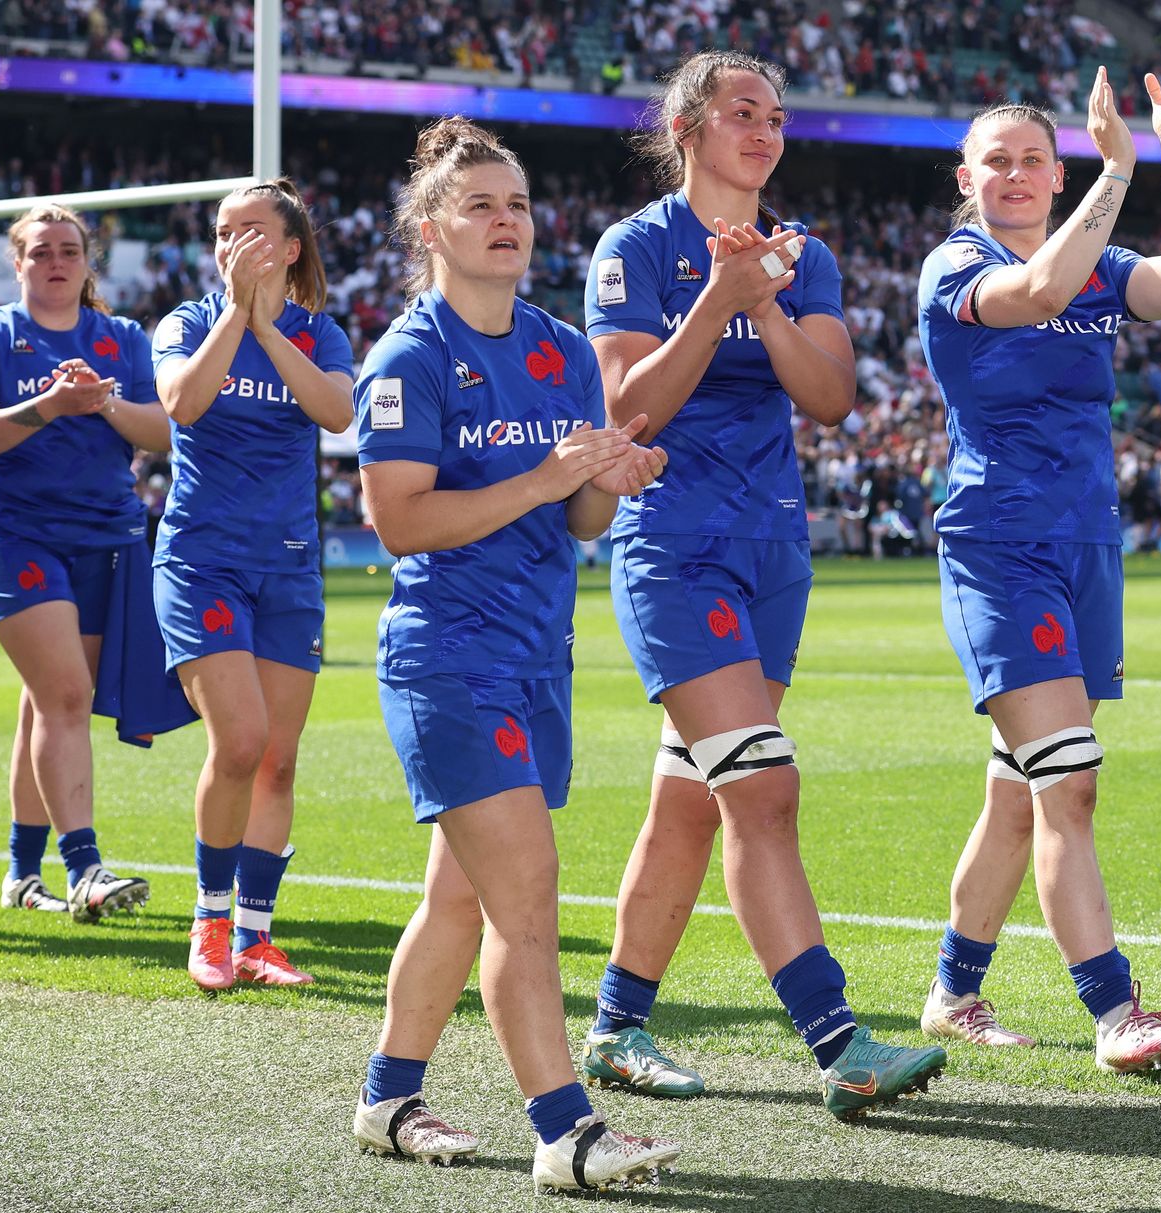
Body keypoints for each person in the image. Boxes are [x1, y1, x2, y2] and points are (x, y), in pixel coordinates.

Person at [581, 48, 947, 1116]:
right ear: (688, 127)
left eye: (778, 115)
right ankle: (838, 1039)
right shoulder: (637, 247)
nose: (766, 128)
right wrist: (716, 299)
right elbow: (627, 408)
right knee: (765, 789)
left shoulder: (806, 253)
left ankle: (613, 1028)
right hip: (674, 547)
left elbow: (831, 396)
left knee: (692, 807)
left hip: (772, 554)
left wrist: (768, 299)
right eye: (744, 110)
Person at [352, 118, 678, 1193]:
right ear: (432, 228)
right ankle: (566, 1128)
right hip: (449, 658)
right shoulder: (410, 356)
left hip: (539, 654)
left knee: (459, 900)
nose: (507, 221)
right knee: (525, 897)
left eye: (519, 204)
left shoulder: (560, 348)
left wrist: (607, 474)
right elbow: (399, 522)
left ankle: (387, 1098)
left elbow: (580, 516)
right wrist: (544, 478)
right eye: (482, 204)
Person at [915, 51, 1161, 1071]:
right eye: (994, 160)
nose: (1013, 174)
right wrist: (1117, 174)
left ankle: (954, 992)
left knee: (1020, 787)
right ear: (967, 179)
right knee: (1070, 784)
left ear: (1054, 173)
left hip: (1087, 542)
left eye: (1032, 159)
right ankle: (1115, 1008)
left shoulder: (1099, 259)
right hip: (1002, 544)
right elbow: (1041, 290)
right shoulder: (954, 268)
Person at [152, 180, 353, 990]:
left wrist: (270, 329)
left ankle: (257, 937)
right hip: (203, 560)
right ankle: (208, 924)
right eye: (222, 232)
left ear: (291, 249)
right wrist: (239, 316)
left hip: (290, 565)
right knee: (237, 741)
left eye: (251, 231)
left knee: (277, 759)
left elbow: (337, 412)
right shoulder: (188, 322)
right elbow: (181, 401)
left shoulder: (319, 332)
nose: (233, 243)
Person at [0, 204, 170, 922]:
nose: (55, 260)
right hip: (17, 536)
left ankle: (21, 873)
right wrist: (51, 404)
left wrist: (102, 400)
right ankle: (85, 866)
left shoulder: (122, 338)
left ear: (87, 264)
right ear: (16, 263)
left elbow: (162, 431)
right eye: (40, 250)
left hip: (106, 535)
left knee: (47, 703)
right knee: (66, 697)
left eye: (69, 250)